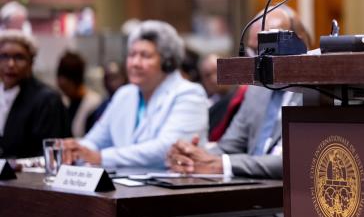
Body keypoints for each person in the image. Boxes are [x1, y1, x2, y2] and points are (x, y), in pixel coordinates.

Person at [166, 5, 308, 179]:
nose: (259, 59)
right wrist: (191, 156)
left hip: (290, 193)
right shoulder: (257, 90)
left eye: (269, 48)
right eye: (254, 51)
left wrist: (223, 164)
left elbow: (294, 160)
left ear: (300, 43)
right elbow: (228, 146)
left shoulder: (318, 93)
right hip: (248, 187)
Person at [62, 20, 208, 168]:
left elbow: (166, 148)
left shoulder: (189, 94)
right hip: (124, 188)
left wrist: (101, 157)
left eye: (145, 56)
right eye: (132, 55)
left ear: (167, 61)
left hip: (169, 187)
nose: (135, 63)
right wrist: (76, 150)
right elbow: (95, 140)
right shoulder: (124, 94)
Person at [0, 30, 66, 158]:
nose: (10, 64)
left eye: (19, 57)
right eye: (4, 56)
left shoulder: (47, 99)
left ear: (31, 63)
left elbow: (49, 155)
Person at [200, 53, 247, 142]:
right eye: (208, 75)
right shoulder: (202, 106)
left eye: (217, 71)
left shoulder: (242, 98)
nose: (213, 79)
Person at [56, 51, 103, 137]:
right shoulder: (65, 101)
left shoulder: (94, 104)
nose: (64, 92)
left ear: (76, 81)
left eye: (66, 88)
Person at [88, 60, 128, 126]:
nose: (110, 83)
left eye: (114, 78)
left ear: (124, 78)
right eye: (106, 78)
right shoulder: (101, 108)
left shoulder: (133, 104)